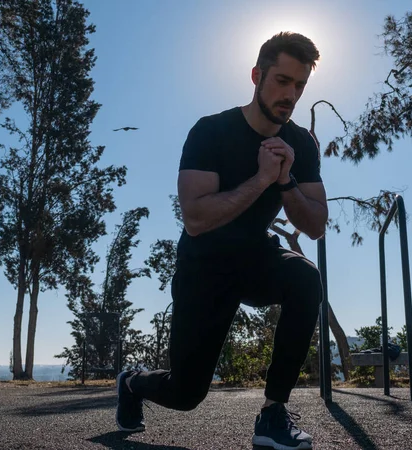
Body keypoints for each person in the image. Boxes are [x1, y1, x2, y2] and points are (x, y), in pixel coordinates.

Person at [116, 31, 327, 450]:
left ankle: (272, 414)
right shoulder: (211, 131)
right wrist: (262, 178)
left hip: (255, 258)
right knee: (185, 394)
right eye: (282, 81)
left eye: (300, 85)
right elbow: (196, 219)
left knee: (305, 277)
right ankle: (133, 382)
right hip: (204, 266)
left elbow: (317, 223)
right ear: (256, 75)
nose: (291, 94)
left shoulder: (300, 143)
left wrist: (285, 180)